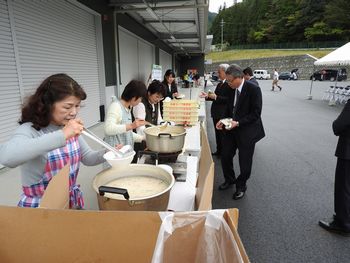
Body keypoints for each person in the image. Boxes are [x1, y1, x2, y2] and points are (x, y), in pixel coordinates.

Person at [0, 73, 107, 209]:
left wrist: (108, 153)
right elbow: (6, 157)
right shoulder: (30, 130)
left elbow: (87, 157)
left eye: (77, 105)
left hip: (68, 202)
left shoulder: (68, 127)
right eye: (67, 107)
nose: (74, 112)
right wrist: (62, 135)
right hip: (41, 207)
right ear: (47, 104)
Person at [216, 64, 265, 200]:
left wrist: (238, 123)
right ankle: (230, 179)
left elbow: (256, 114)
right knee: (225, 156)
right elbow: (229, 108)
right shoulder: (231, 88)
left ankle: (241, 186)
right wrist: (223, 120)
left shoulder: (253, 89)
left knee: (245, 164)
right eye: (227, 80)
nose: (229, 83)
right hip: (231, 129)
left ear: (240, 77)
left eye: (231, 80)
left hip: (247, 131)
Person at [319, 100, 350, 236]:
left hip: (348, 152)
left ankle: (343, 222)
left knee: (344, 187)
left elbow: (339, 125)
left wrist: (335, 124)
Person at [104, 80, 147, 149]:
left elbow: (127, 134)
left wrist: (143, 138)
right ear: (134, 98)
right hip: (115, 155)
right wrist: (131, 126)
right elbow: (108, 128)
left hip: (125, 155)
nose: (140, 101)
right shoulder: (115, 106)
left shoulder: (127, 108)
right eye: (140, 98)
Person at [200, 64, 231, 157]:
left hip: (222, 113)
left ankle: (223, 153)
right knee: (217, 133)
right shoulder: (220, 83)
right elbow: (215, 97)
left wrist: (215, 96)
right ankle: (219, 150)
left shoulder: (229, 84)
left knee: (223, 134)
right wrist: (207, 96)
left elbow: (227, 99)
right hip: (216, 112)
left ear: (225, 73)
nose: (218, 74)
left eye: (219, 72)